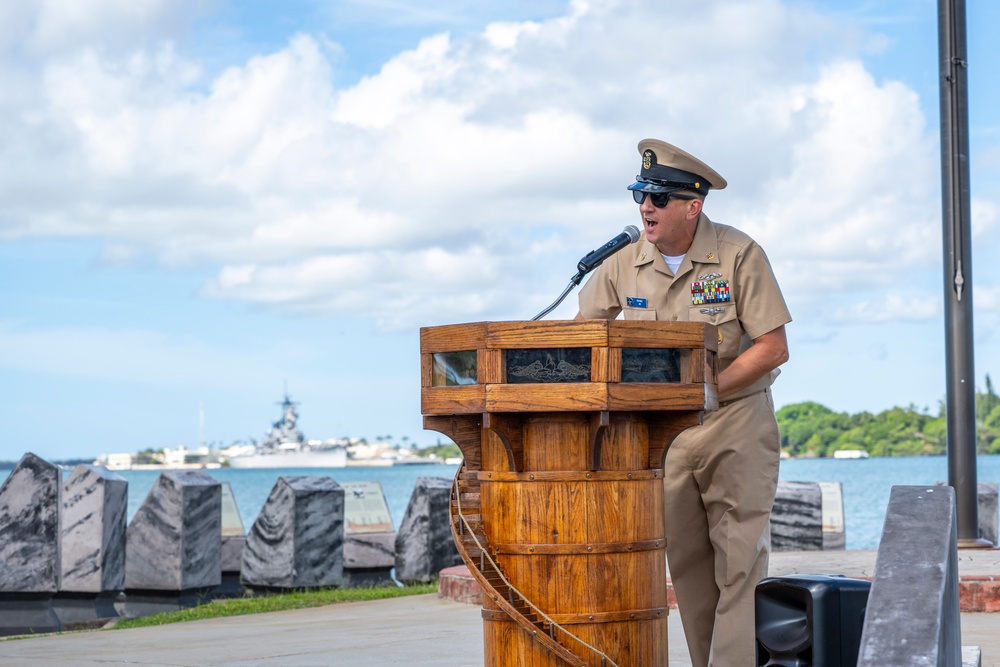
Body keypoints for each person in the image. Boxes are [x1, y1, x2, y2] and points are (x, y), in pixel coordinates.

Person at [575, 138, 791, 666]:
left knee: (739, 564)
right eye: (639, 195)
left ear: (693, 205)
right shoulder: (620, 261)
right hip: (661, 437)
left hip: (735, 425)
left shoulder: (740, 254)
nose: (645, 207)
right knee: (689, 569)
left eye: (658, 197)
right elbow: (582, 341)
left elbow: (772, 347)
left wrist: (706, 391)